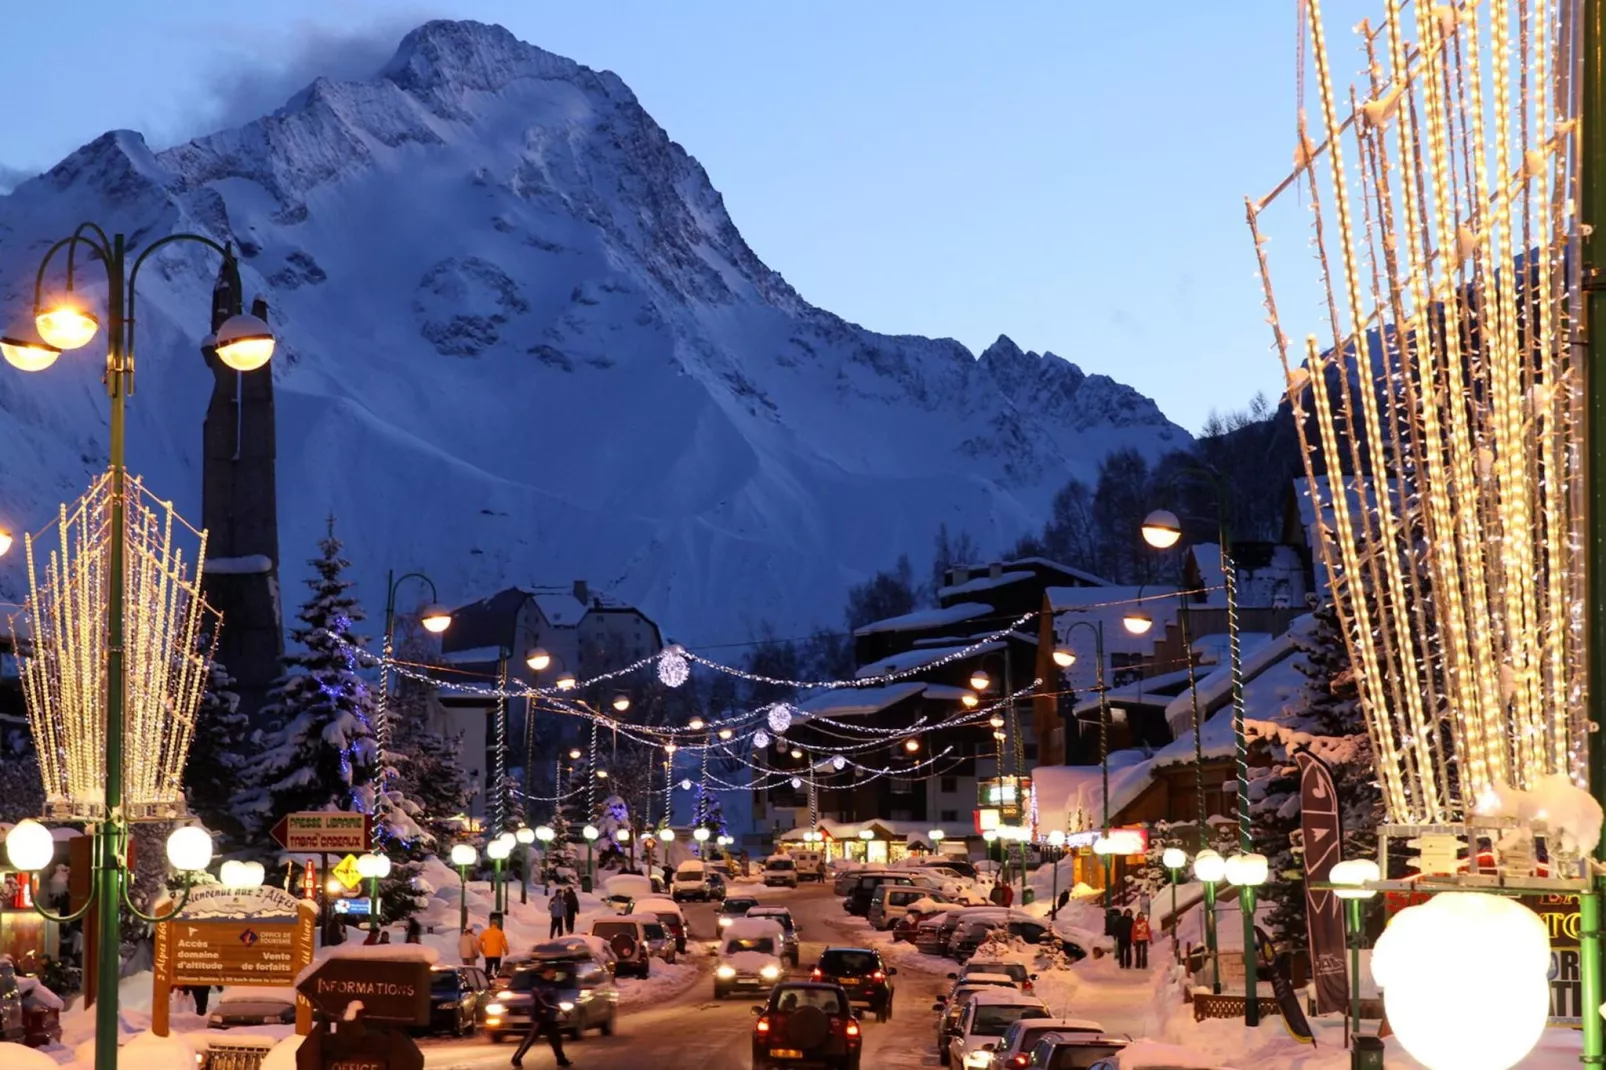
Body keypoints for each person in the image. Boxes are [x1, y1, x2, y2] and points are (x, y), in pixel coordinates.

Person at [511, 965, 572, 1068]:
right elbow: (542, 1002)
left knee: (556, 1038)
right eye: (552, 972)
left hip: (550, 1017)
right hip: (540, 1017)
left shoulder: (552, 984)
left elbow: (555, 1000)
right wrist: (557, 1009)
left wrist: (561, 1010)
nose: (554, 974)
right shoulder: (537, 984)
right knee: (530, 1039)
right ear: (546, 972)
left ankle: (561, 1060)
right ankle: (516, 1059)